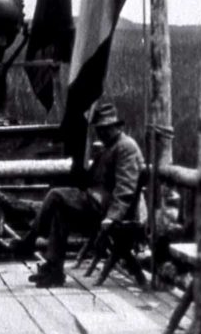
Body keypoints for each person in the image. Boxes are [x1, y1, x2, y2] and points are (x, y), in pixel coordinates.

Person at [14, 102, 146, 288]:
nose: (101, 133)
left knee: (55, 195)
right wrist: (79, 167)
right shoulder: (108, 148)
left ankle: (30, 239)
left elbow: (126, 189)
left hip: (106, 209)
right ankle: (54, 270)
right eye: (99, 129)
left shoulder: (126, 148)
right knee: (60, 211)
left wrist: (112, 218)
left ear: (115, 127)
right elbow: (90, 180)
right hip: (94, 203)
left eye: (105, 129)